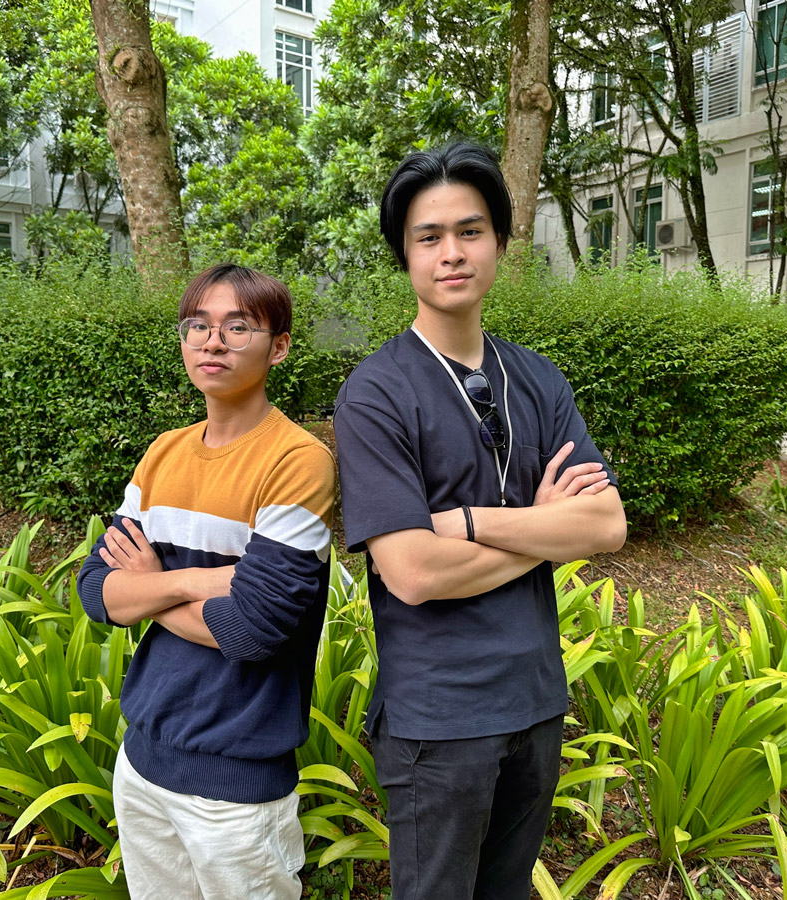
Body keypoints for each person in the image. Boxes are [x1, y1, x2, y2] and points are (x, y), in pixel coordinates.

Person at [332, 142, 627, 900]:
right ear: (405, 255)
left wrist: (463, 521)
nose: (451, 253)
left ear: (500, 241)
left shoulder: (538, 378)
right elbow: (414, 573)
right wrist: (542, 526)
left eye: (471, 231)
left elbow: (605, 527)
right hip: (437, 719)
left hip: (534, 701)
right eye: (429, 237)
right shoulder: (376, 394)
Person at [76, 263, 335, 900]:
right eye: (198, 326)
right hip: (142, 760)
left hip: (236, 780)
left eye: (237, 326)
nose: (212, 342)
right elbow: (95, 592)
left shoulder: (298, 461)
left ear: (279, 347)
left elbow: (252, 631)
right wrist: (202, 581)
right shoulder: (163, 452)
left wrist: (154, 582)